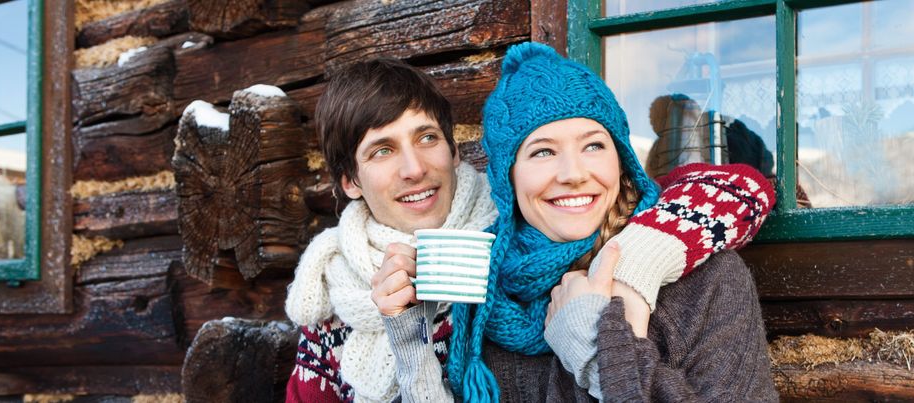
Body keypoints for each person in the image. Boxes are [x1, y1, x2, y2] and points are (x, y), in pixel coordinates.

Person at [379, 42, 779, 402]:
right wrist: (413, 342)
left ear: (621, 162)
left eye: (593, 145)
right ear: (508, 179)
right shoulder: (484, 294)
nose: (573, 173)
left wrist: (596, 350)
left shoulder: (705, 281)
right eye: (542, 152)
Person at [283, 58, 497, 403]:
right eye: (383, 150)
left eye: (427, 137)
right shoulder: (333, 298)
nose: (414, 169)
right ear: (351, 181)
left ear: (454, 151)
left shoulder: (518, 249)